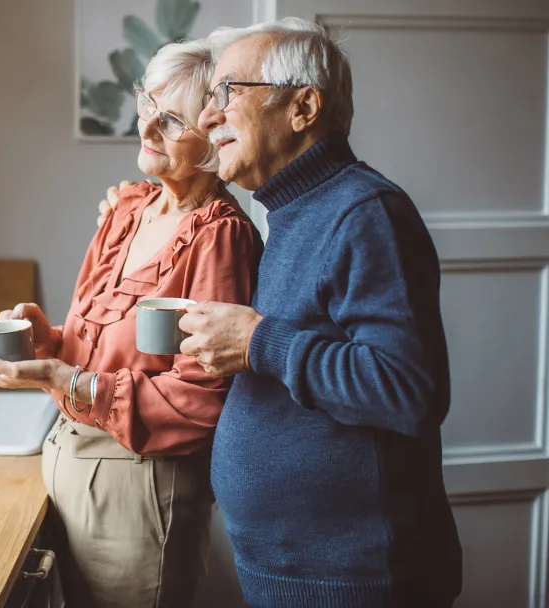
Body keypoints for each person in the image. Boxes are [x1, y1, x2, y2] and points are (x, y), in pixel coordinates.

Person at [0, 39, 262, 608]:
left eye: (171, 120)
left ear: (214, 132)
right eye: (146, 104)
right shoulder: (128, 210)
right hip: (67, 467)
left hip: (139, 488)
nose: (148, 128)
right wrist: (47, 341)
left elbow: (203, 402)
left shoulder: (220, 237)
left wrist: (65, 378)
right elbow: (99, 348)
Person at [175, 18, 459, 607]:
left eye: (228, 92)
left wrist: (261, 344)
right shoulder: (293, 211)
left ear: (304, 106)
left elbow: (409, 392)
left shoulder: (365, 212)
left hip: (356, 581)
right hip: (299, 572)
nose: (208, 116)